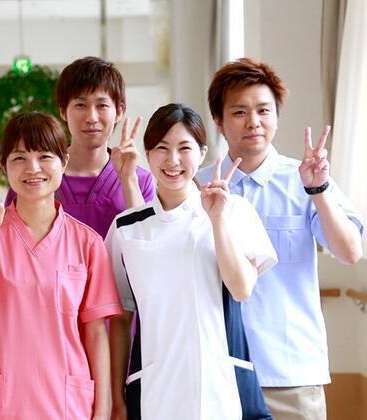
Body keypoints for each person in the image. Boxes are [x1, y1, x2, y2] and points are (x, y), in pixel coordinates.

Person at [196, 58, 363, 419]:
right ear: (219, 121)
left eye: (263, 110)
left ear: (276, 116)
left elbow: (350, 252)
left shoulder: (304, 178)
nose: (253, 121)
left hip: (290, 372)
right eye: (239, 111)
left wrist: (317, 190)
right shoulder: (199, 186)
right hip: (216, 370)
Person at [106, 104, 277, 419]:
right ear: (147, 154)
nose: (173, 160)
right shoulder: (126, 228)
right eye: (162, 148)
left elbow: (241, 289)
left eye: (185, 148)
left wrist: (217, 219)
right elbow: (120, 318)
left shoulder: (235, 211)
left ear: (202, 153)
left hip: (221, 388)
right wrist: (116, 398)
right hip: (155, 390)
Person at [0, 111, 123, 419]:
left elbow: (96, 333)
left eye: (44, 156)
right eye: (19, 158)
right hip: (2, 404)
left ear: (64, 162)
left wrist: (104, 408)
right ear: (3, 166)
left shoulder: (87, 243)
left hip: (67, 403)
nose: (33, 168)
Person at [6, 56, 154, 238]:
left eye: (102, 105)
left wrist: (128, 179)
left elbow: (147, 244)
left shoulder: (140, 180)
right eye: (81, 105)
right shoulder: (33, 177)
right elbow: (11, 242)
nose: (91, 118)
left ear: (119, 111)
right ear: (63, 111)